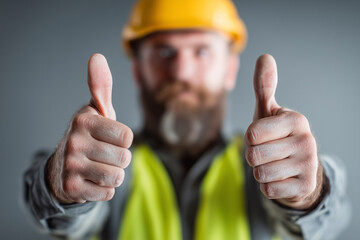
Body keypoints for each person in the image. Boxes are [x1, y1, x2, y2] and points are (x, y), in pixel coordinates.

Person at [23, 0, 350, 239]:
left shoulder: (263, 171)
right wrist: (61, 185)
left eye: (202, 52)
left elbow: (330, 223)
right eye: (165, 52)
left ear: (230, 70)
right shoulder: (106, 169)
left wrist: (309, 193)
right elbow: (58, 218)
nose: (181, 71)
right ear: (138, 70)